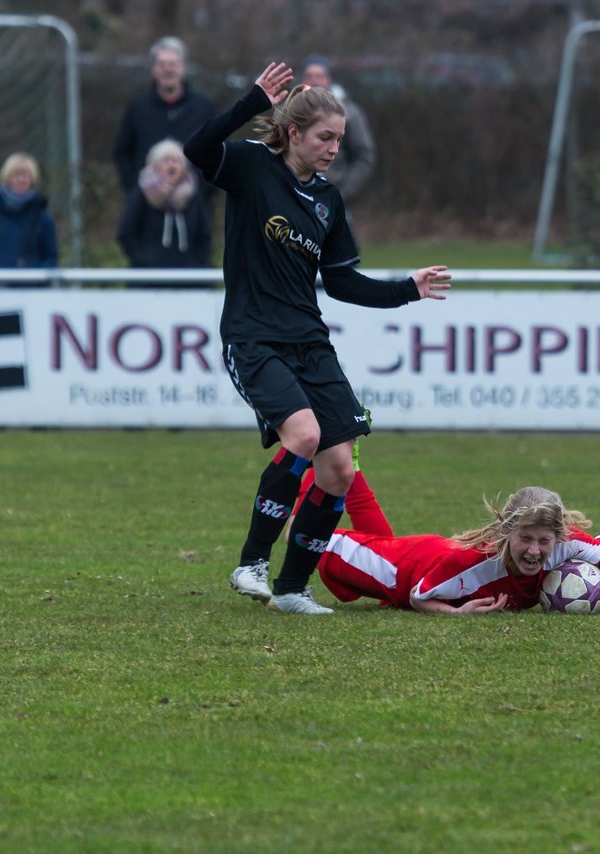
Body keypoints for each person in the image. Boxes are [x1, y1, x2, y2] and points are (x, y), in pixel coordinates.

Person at [183, 61, 451, 616]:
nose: (334, 148)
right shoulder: (253, 167)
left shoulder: (329, 199)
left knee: (338, 469)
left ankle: (290, 588)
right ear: (295, 133)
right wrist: (251, 100)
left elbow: (344, 282)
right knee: (303, 437)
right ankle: (251, 562)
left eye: (340, 139)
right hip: (253, 338)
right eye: (326, 137)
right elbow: (197, 149)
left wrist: (409, 289)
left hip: (310, 342)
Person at [298, 465, 600, 616]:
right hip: (401, 570)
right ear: (506, 533)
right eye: (525, 539)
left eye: (544, 541)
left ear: (558, 536)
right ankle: (311, 461)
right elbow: (419, 595)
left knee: (373, 538)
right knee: (306, 536)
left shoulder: (570, 544)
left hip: (426, 553)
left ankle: (347, 470)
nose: (535, 551)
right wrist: (457, 614)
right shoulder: (475, 564)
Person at [113, 36, 216, 194]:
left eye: (173, 64)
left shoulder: (204, 109)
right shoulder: (137, 108)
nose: (168, 69)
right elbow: (122, 152)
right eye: (162, 64)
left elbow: (217, 152)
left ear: (183, 68)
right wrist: (136, 189)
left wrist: (203, 191)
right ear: (153, 69)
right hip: (145, 207)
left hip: (195, 207)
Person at [116, 138, 213, 281]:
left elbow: (204, 234)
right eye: (166, 160)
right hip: (148, 278)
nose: (171, 164)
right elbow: (126, 232)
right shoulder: (142, 193)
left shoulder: (193, 195)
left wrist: (196, 262)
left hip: (188, 277)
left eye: (176, 160)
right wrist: (143, 261)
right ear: (155, 165)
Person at [0, 152, 59, 278]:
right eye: (16, 174)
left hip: (31, 290)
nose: (22, 179)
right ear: (7, 177)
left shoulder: (42, 218)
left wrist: (36, 279)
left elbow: (50, 257)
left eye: (27, 175)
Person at [301, 54, 376, 204]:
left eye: (319, 76)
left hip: (331, 198)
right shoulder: (288, 112)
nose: (314, 80)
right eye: (309, 76)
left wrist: (342, 193)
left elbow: (363, 156)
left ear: (329, 80)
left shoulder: (349, 113)